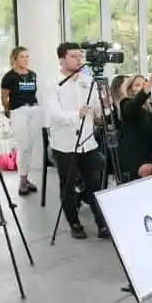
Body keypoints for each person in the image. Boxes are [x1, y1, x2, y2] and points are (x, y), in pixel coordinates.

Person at [45, 43, 108, 241]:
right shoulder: (53, 83)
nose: (78, 60)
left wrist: (105, 103)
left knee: (95, 183)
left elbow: (100, 111)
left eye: (80, 56)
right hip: (64, 144)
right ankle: (74, 223)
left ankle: (102, 224)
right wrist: (76, 115)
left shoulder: (88, 80)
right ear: (62, 59)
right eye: (73, 56)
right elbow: (54, 115)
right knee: (68, 185)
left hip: (88, 142)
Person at [1, 46, 42, 197]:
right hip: (18, 111)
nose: (25, 59)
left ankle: (26, 177)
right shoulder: (9, 77)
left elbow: (33, 93)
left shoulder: (32, 75)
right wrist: (8, 111)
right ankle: (22, 179)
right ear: (15, 59)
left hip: (34, 111)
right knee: (23, 145)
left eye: (27, 56)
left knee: (30, 146)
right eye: (22, 57)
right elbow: (4, 98)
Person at [117, 72, 152, 181]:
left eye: (144, 84)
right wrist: (149, 84)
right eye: (137, 85)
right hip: (135, 159)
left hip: (150, 156)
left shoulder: (150, 108)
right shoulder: (126, 104)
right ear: (130, 89)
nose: (142, 87)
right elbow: (135, 104)